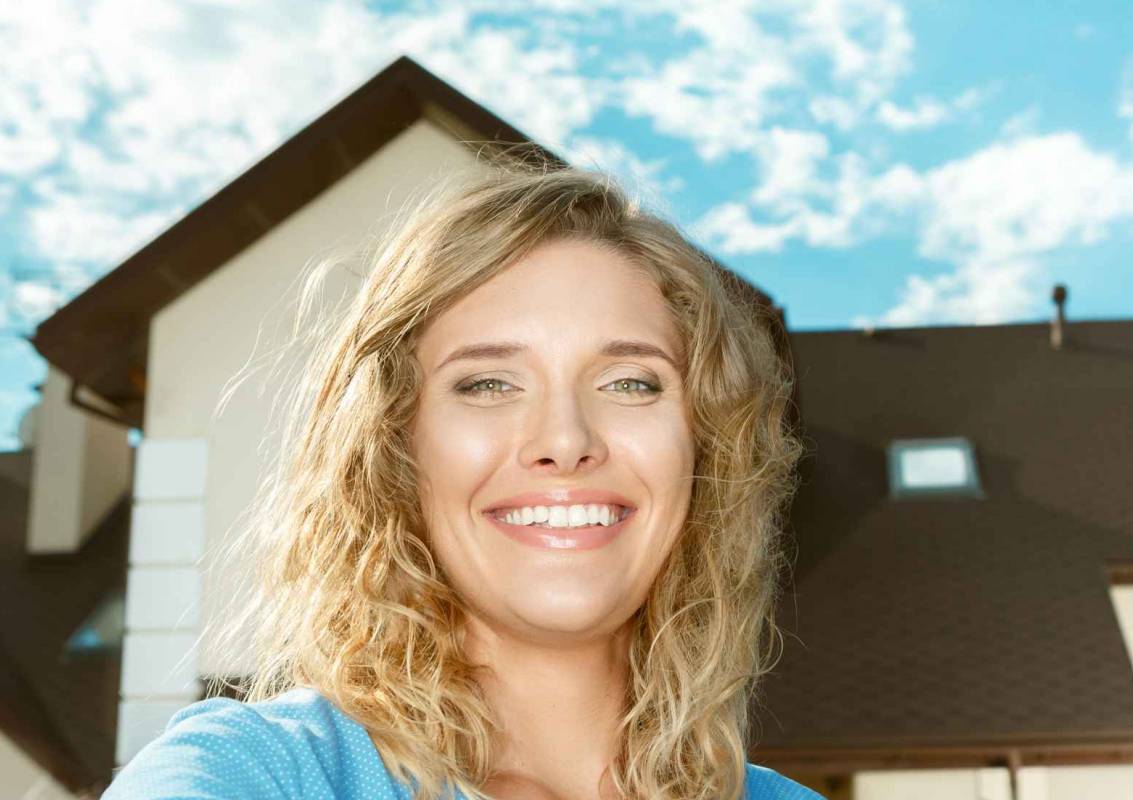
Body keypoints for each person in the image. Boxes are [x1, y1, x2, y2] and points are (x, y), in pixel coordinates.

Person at [101, 155, 819, 800]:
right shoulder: (251, 774)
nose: (565, 441)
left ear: (703, 445)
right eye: (487, 384)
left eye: (631, 382)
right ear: (393, 446)